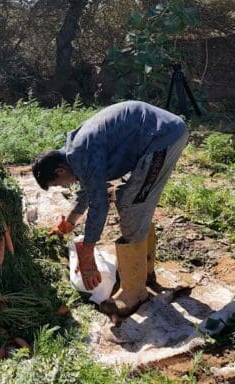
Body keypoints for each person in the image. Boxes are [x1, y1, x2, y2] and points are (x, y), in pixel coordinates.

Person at [32, 100, 188, 316]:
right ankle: (145, 273)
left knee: (131, 203)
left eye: (59, 183)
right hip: (161, 133)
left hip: (161, 137)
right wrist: (70, 222)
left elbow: (99, 202)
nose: (65, 186)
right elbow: (89, 189)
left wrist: (87, 253)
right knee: (137, 201)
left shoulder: (81, 153)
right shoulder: (74, 154)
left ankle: (134, 293)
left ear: (59, 170)